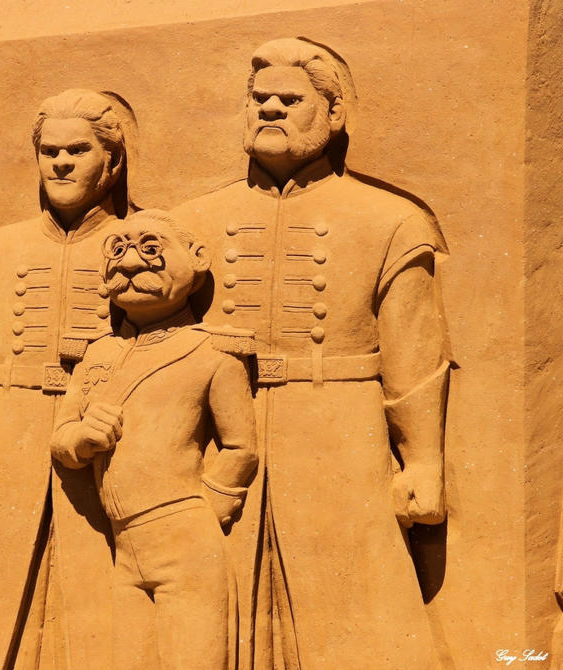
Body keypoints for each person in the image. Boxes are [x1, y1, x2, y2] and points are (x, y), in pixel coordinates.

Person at [171, 37, 451, 669]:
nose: (270, 109)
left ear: (333, 114)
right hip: (221, 432)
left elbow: (415, 356)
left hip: (339, 428)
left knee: (359, 613)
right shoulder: (192, 219)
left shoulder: (390, 220)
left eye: (290, 100)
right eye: (258, 98)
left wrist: (423, 463)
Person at [0, 88, 134, 669]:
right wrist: (9, 418)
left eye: (78, 150)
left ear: (111, 162)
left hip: (107, 448)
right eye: (49, 151)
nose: (61, 162)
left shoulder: (143, 241)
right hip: (7, 446)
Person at [51, 209, 258, 670]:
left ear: (197, 259)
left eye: (150, 248)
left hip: (186, 540)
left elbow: (240, 447)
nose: (129, 264)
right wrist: (82, 440)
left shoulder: (210, 354)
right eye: (117, 250)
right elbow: (61, 436)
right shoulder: (98, 354)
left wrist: (205, 512)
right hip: (125, 547)